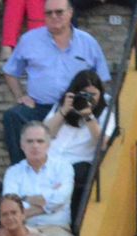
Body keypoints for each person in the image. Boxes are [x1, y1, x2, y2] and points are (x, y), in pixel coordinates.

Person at [0, 0, 109, 167]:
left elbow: (102, 78)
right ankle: (22, 170)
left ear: (70, 13)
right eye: (49, 13)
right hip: (40, 107)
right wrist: (20, 95)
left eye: (59, 12)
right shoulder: (29, 40)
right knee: (12, 116)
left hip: (77, 107)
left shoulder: (88, 42)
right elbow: (10, 71)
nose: (54, 17)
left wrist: (92, 103)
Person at [2, 121, 74, 236]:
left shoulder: (63, 168)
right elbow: (10, 207)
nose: (35, 146)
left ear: (48, 144)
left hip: (55, 228)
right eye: (30, 141)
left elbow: (61, 199)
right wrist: (47, 200)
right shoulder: (13, 172)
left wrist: (25, 199)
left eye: (40, 141)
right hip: (22, 228)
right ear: (21, 145)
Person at [43, 67, 111, 225]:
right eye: (84, 94)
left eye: (93, 95)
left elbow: (102, 144)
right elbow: (45, 134)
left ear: (100, 94)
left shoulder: (106, 113)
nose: (89, 99)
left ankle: (71, 225)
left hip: (78, 165)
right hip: (50, 160)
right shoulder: (61, 107)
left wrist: (88, 115)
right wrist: (64, 111)